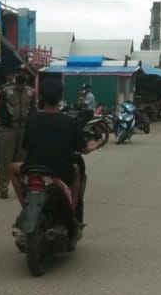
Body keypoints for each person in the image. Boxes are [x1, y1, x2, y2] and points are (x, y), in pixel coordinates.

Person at [9, 77, 100, 224]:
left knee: (12, 168)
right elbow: (83, 149)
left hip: (33, 170)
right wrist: (92, 146)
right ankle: (71, 212)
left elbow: (25, 147)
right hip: (60, 172)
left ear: (41, 97)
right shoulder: (69, 122)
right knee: (76, 170)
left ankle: (26, 207)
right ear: (60, 98)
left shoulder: (32, 120)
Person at [0, 66, 36, 199]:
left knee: (23, 160)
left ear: (27, 76)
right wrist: (4, 121)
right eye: (19, 72)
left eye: (24, 73)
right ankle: (3, 188)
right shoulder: (5, 89)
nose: (21, 75)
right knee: (5, 159)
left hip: (24, 129)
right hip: (9, 129)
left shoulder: (31, 92)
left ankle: (23, 186)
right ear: (15, 74)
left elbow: (33, 110)